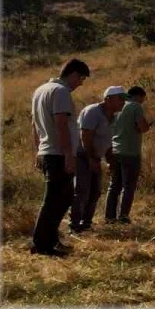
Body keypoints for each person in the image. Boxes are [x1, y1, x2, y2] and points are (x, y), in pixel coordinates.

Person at [30, 58, 91, 256]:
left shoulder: (40, 90)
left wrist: (37, 151)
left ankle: (50, 240)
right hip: (58, 154)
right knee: (54, 200)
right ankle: (41, 245)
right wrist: (68, 155)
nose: (80, 84)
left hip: (48, 152)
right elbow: (61, 124)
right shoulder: (61, 91)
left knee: (62, 199)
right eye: (81, 79)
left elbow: (34, 126)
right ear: (73, 73)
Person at [70, 86, 127, 233]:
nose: (123, 102)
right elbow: (85, 136)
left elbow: (108, 142)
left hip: (95, 157)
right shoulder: (92, 112)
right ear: (108, 99)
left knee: (95, 192)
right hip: (83, 156)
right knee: (82, 191)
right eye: (120, 99)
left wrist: (110, 162)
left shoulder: (113, 117)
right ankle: (74, 226)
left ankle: (86, 224)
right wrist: (91, 159)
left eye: (124, 99)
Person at [106, 86, 151, 224]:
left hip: (114, 150)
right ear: (138, 96)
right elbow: (142, 127)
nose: (142, 102)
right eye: (142, 99)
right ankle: (123, 216)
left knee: (114, 185)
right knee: (128, 185)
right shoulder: (135, 107)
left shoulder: (116, 107)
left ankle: (109, 217)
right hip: (130, 152)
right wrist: (147, 126)